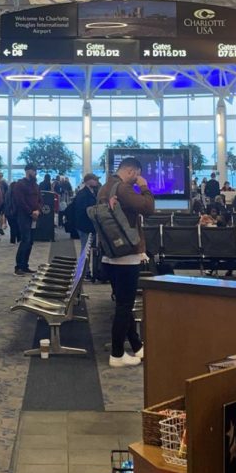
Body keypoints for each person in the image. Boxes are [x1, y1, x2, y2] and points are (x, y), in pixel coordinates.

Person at [98, 157, 155, 368]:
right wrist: (145, 188)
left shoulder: (105, 187)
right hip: (127, 255)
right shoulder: (123, 188)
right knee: (124, 305)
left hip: (110, 253)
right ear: (131, 171)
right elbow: (148, 208)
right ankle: (117, 354)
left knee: (124, 303)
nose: (138, 179)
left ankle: (137, 345)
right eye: (137, 175)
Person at [12, 165, 42, 276]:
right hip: (24, 217)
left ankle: (25, 265)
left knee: (30, 242)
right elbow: (20, 201)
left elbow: (40, 199)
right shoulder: (20, 184)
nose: (34, 172)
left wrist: (38, 210)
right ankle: (18, 266)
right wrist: (30, 212)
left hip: (34, 216)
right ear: (27, 171)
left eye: (35, 170)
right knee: (25, 241)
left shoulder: (35, 185)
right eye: (33, 170)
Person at [70, 173, 100, 253]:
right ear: (88, 181)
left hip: (89, 225)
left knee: (86, 248)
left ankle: (84, 265)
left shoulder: (92, 192)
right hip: (84, 225)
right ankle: (82, 265)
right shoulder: (83, 194)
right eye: (95, 180)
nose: (97, 181)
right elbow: (81, 210)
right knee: (85, 248)